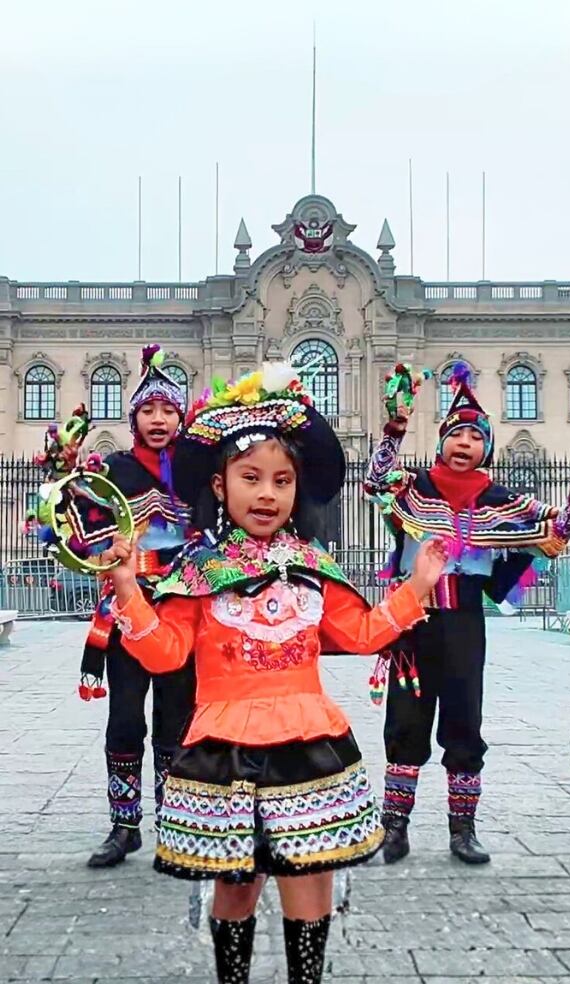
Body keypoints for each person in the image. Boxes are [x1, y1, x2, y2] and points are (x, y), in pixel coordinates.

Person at [100, 362, 450, 984]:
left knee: (308, 877)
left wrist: (417, 586)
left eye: (282, 480)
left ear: (297, 490)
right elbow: (165, 655)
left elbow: (362, 633)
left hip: (306, 738)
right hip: (224, 745)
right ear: (219, 484)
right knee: (237, 882)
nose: (267, 494)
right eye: (251, 477)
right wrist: (128, 589)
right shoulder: (197, 570)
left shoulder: (314, 564)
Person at [362, 361, 570, 865]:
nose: (464, 443)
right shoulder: (414, 487)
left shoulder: (501, 502)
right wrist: (395, 428)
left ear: (486, 447)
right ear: (443, 440)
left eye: (475, 436)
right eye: (457, 434)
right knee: (405, 722)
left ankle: (462, 830)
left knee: (465, 723)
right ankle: (394, 826)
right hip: (412, 622)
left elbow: (552, 535)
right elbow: (374, 479)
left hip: (465, 624)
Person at [74, 345, 196, 868]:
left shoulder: (196, 470)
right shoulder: (113, 471)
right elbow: (79, 536)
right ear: (134, 418)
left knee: (177, 719)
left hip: (182, 611)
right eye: (148, 410)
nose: (159, 419)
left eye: (168, 410)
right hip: (128, 608)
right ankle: (125, 827)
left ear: (181, 416)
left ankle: (173, 825)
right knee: (125, 718)